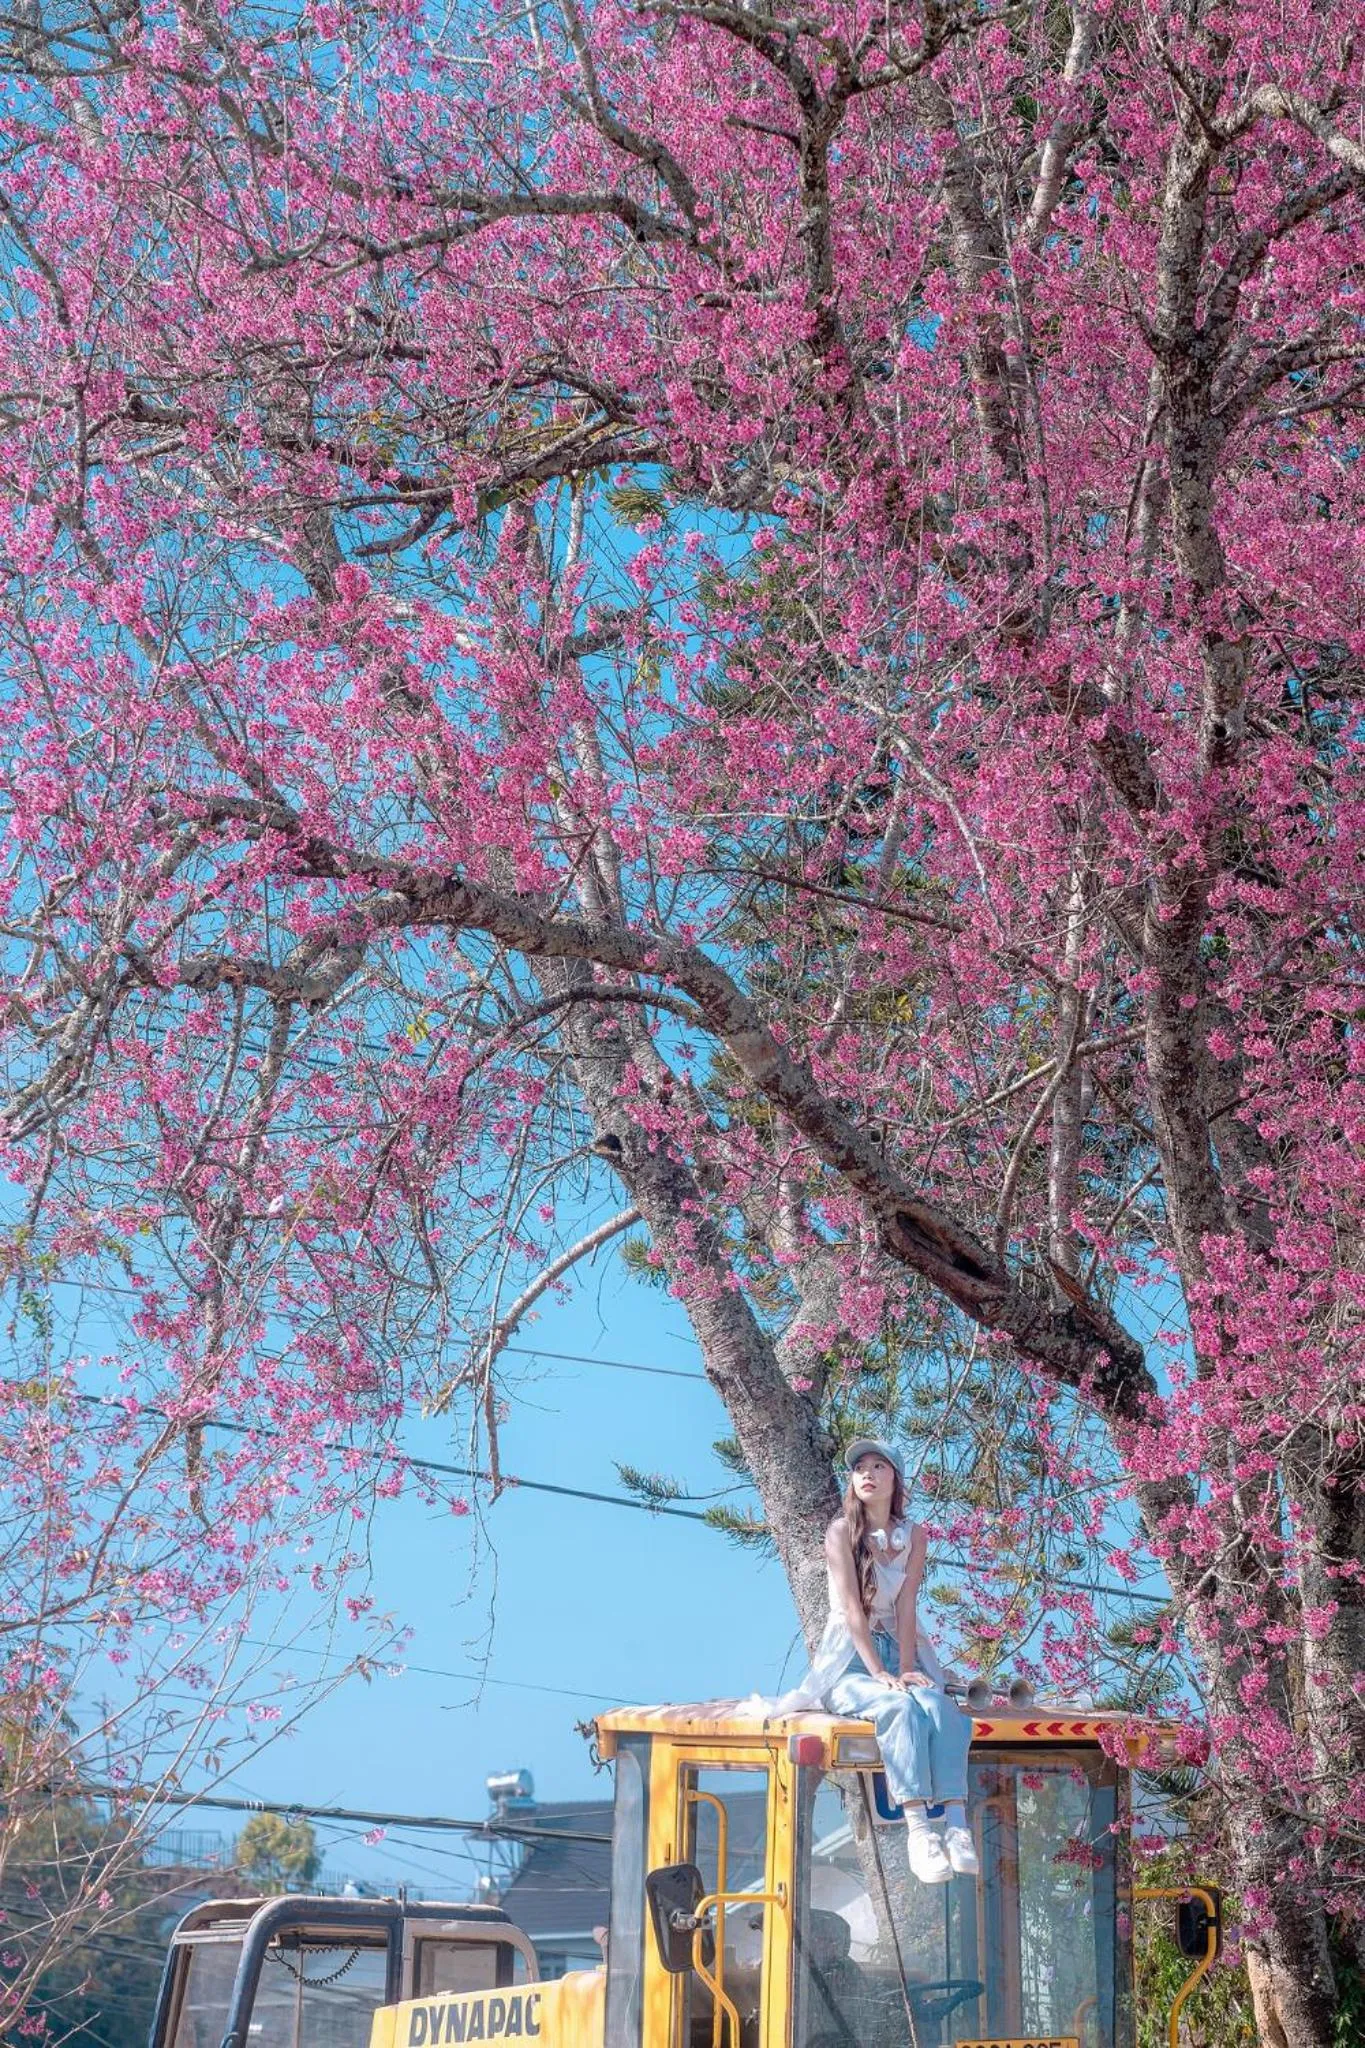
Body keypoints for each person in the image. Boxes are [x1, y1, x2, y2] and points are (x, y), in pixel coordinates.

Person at [812, 1438, 977, 1887]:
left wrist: (905, 1667)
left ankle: (958, 1826)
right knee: (899, 1708)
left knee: (940, 1706)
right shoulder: (840, 1532)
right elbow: (851, 1612)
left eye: (878, 1466)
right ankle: (919, 1830)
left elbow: (907, 1606)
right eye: (859, 1467)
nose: (866, 1473)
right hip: (850, 1660)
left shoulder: (914, 1535)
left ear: (895, 1478)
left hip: (899, 1648)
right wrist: (880, 1673)